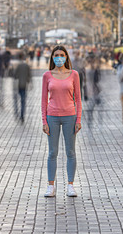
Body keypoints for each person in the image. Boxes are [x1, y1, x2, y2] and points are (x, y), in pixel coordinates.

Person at [41, 45, 82, 198]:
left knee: (70, 152)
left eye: (62, 55)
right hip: (52, 117)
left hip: (69, 117)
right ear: (52, 57)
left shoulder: (74, 75)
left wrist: (78, 119)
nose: (59, 58)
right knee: (52, 152)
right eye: (56, 55)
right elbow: (43, 100)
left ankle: (70, 185)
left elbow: (78, 98)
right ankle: (50, 186)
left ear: (66, 57)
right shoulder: (47, 75)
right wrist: (44, 121)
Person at [14, 52, 32, 122]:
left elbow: (15, 75)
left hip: (18, 85)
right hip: (24, 85)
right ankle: (22, 115)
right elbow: (29, 76)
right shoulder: (27, 66)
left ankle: (16, 113)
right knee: (23, 101)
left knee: (16, 100)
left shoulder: (18, 65)